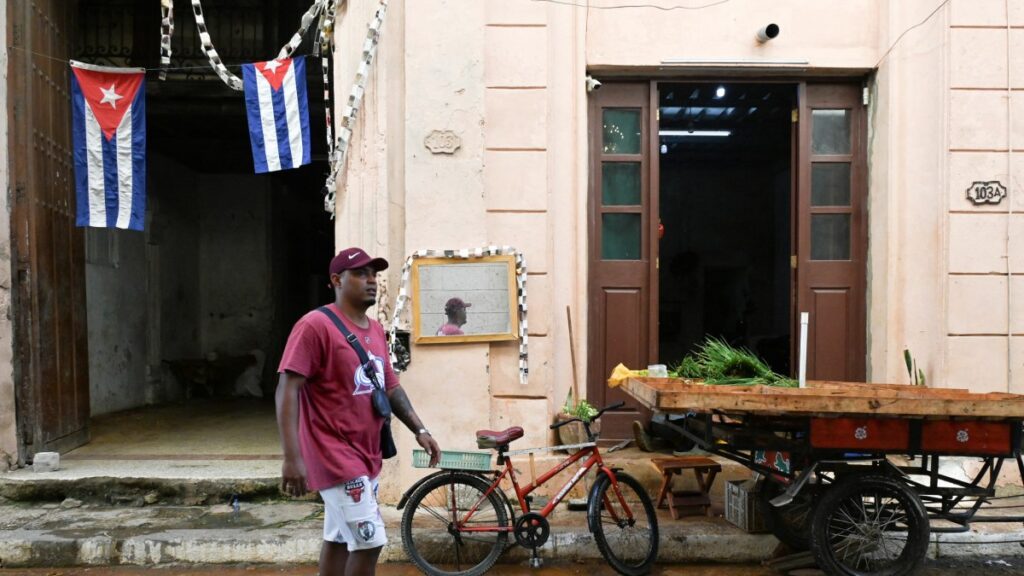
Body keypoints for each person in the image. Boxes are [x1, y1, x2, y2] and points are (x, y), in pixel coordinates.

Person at [276, 247, 441, 576]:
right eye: (361, 274)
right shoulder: (314, 326)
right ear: (337, 280)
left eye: (374, 275)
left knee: (338, 540)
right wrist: (292, 457)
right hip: (334, 455)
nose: (372, 281)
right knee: (370, 540)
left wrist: (421, 431)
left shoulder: (375, 329)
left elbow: (390, 386)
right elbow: (287, 389)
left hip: (367, 454)